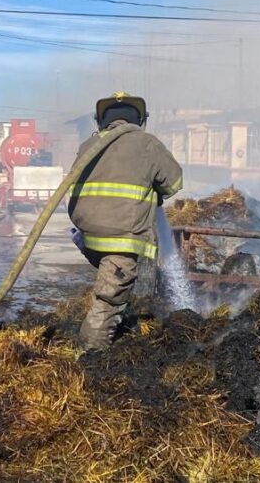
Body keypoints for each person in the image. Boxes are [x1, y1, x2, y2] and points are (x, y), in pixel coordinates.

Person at [68, 91, 183, 350]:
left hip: (87, 235)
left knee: (111, 282)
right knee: (108, 301)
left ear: (102, 119)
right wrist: (154, 187)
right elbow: (175, 182)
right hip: (121, 237)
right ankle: (90, 355)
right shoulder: (146, 143)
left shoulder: (89, 144)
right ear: (140, 119)